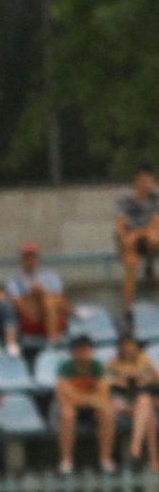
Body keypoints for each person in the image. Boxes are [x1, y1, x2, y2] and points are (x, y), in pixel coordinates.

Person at [55, 334, 115, 475]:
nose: (84, 353)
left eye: (87, 349)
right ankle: (66, 461)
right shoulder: (66, 367)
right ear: (73, 352)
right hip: (72, 405)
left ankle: (105, 460)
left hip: (92, 406)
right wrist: (90, 399)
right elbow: (65, 393)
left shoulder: (97, 366)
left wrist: (91, 400)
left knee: (107, 412)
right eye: (81, 350)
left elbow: (104, 392)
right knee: (67, 415)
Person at [107, 335, 159, 471]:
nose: (128, 349)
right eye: (125, 346)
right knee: (148, 413)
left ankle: (136, 447)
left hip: (140, 400)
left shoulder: (143, 359)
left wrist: (145, 380)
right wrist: (120, 380)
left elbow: (157, 379)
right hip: (122, 403)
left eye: (131, 346)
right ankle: (152, 459)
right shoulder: (114, 362)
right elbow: (105, 384)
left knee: (145, 404)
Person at [6, 243, 71, 347]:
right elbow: (20, 306)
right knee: (45, 299)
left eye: (32, 257)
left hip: (53, 311)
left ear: (37, 259)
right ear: (21, 260)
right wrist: (34, 297)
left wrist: (43, 293)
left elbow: (61, 302)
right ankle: (53, 338)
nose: (30, 261)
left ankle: (52, 337)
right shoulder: (14, 282)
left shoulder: (51, 277)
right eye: (26, 258)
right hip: (32, 316)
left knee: (48, 300)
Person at [115, 164, 159, 313]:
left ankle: (149, 266)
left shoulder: (155, 197)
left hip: (146, 235)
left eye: (148, 182)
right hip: (128, 236)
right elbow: (120, 226)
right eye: (142, 181)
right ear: (135, 182)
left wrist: (140, 233)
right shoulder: (125, 198)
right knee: (131, 263)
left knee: (154, 237)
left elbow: (156, 223)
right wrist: (126, 241)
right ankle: (128, 309)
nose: (145, 185)